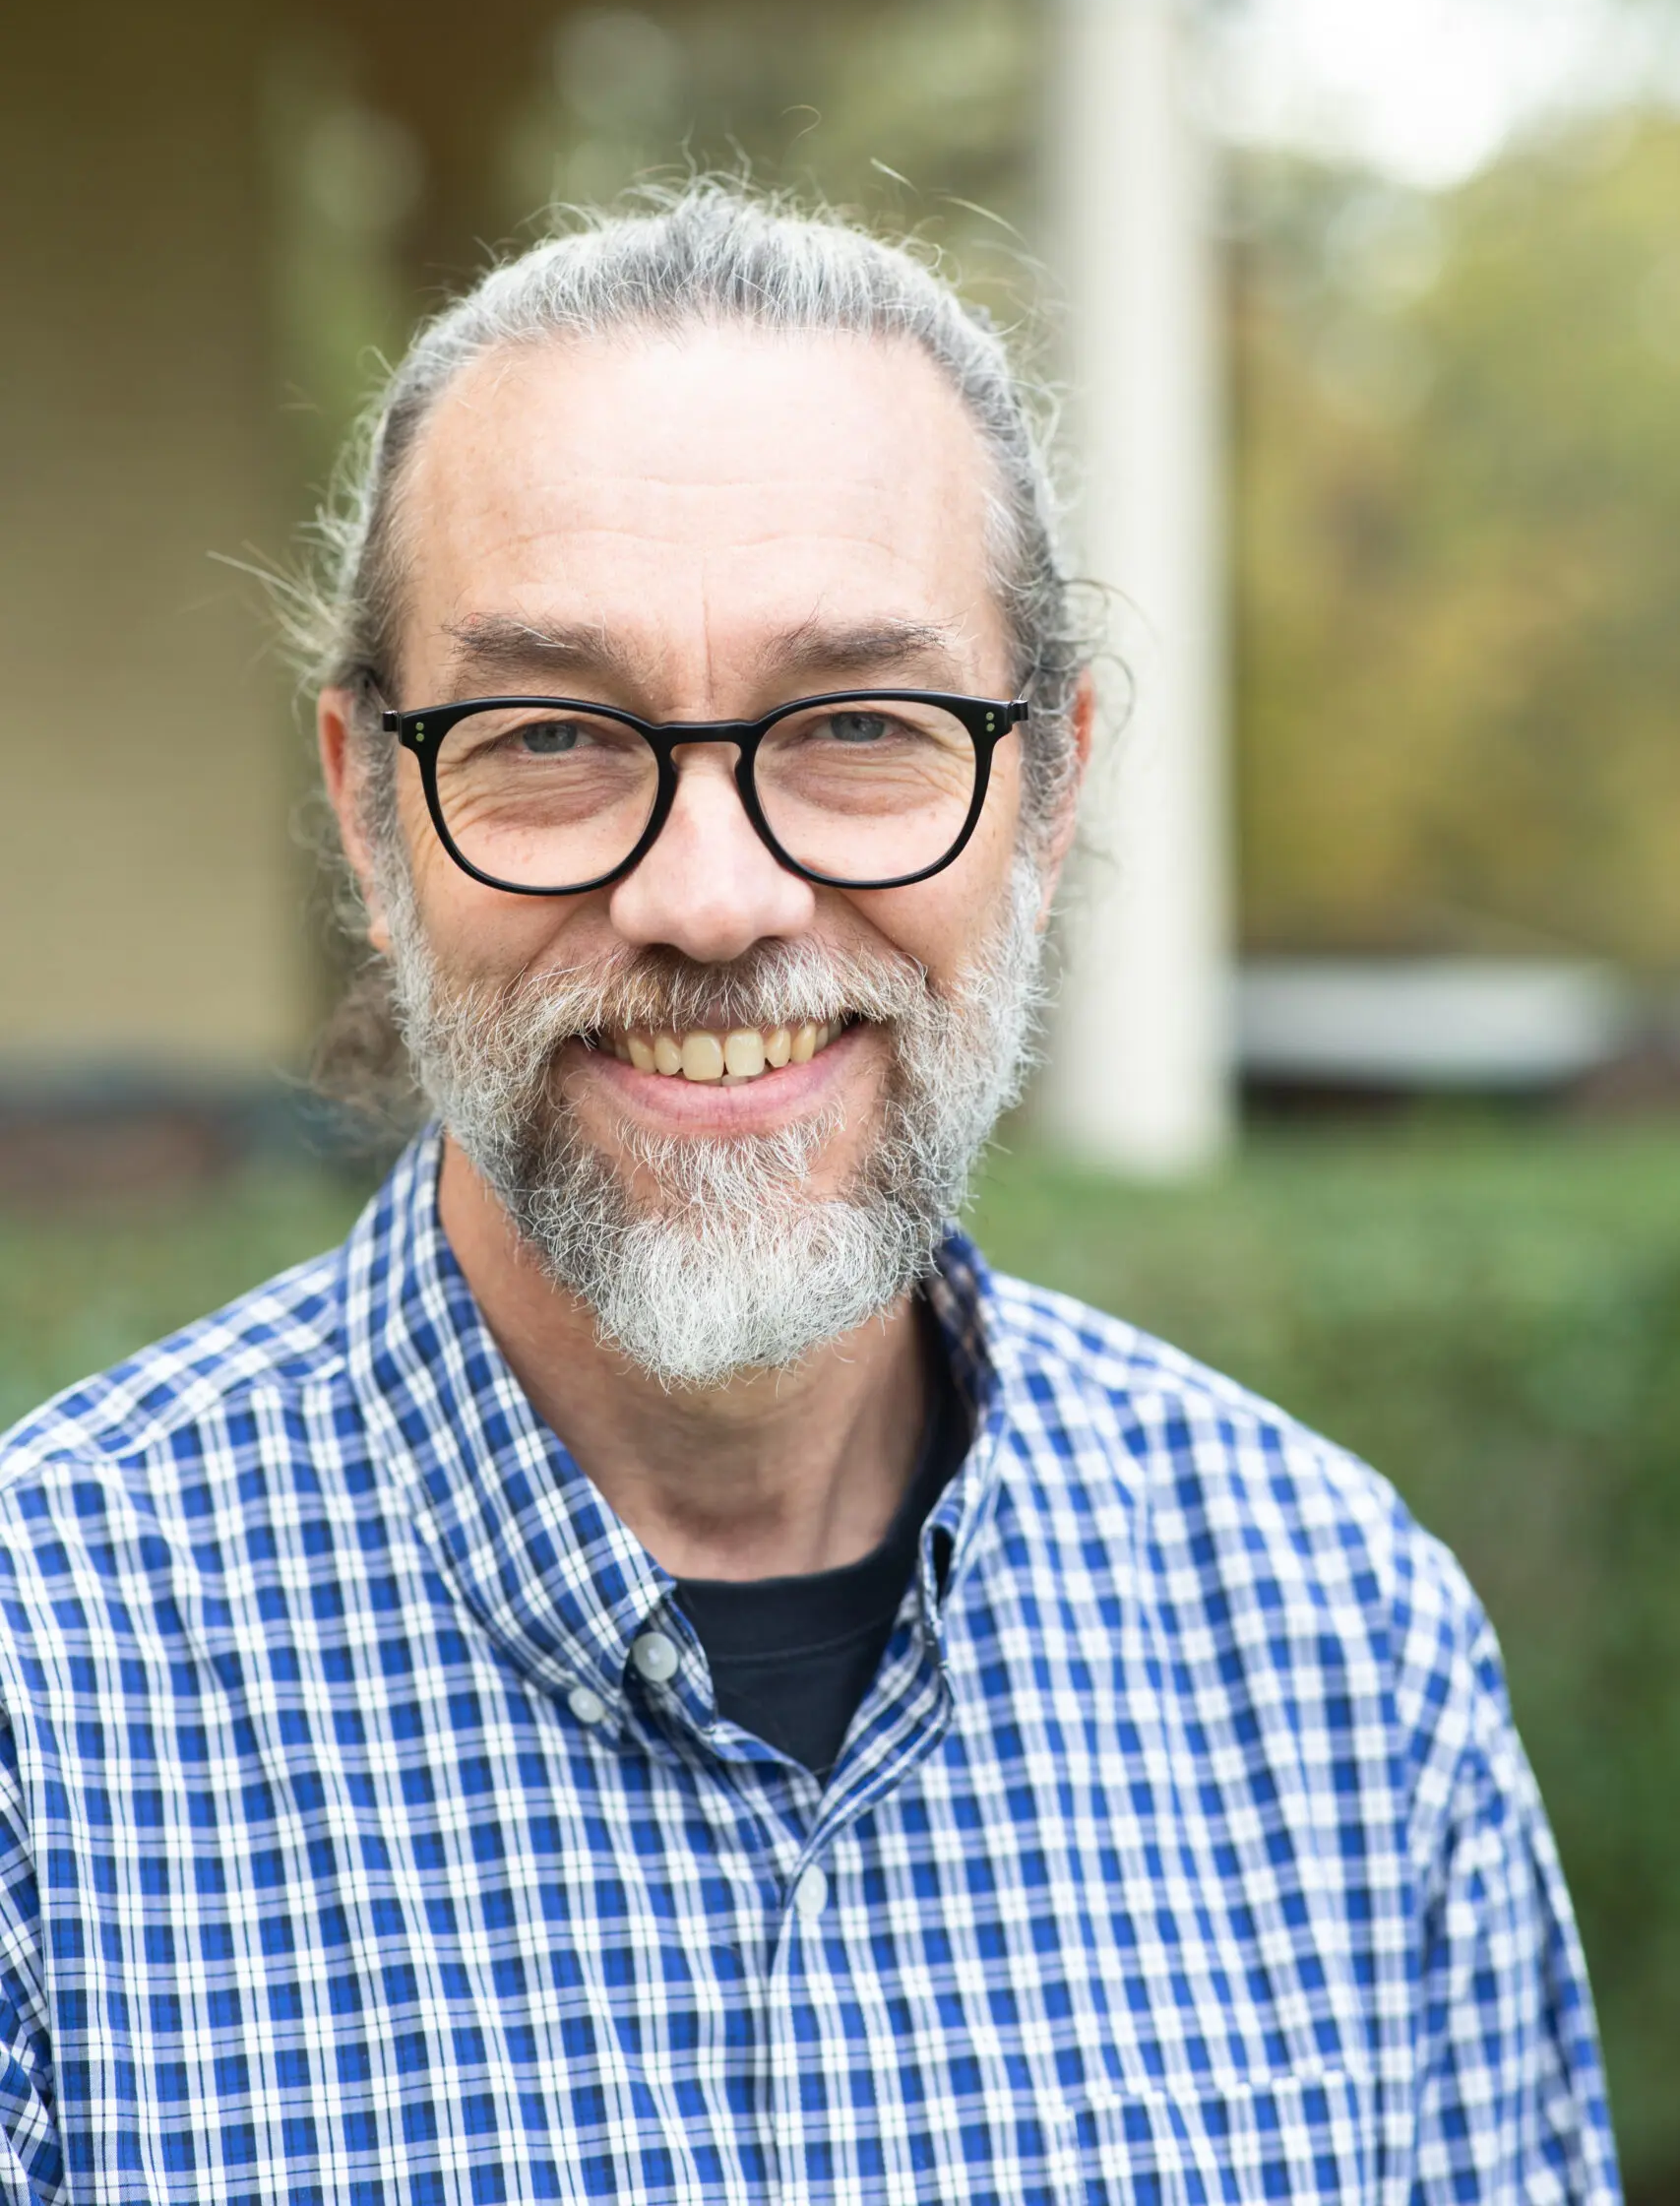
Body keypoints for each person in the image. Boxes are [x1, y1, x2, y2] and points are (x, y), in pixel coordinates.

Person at [0, 187, 1618, 2205]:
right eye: (549, 735)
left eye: (856, 724)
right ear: (365, 800)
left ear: (1051, 786)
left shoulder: (1340, 1649)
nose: (711, 895)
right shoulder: (37, 1706)